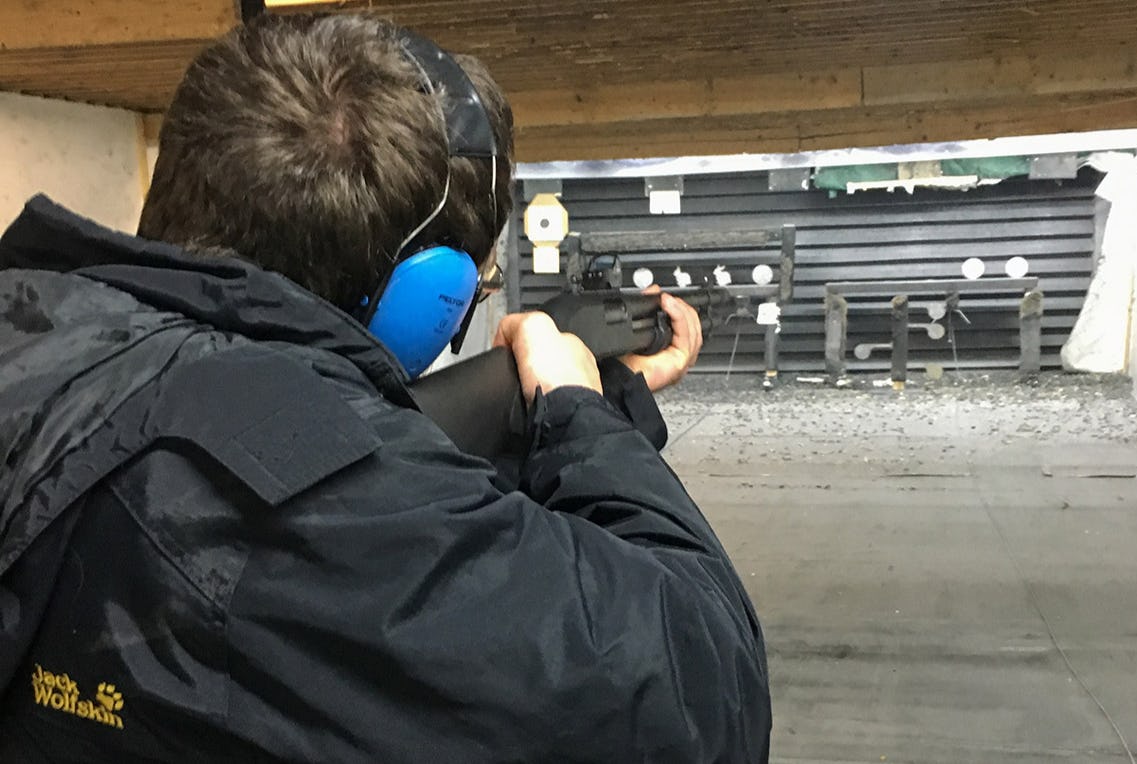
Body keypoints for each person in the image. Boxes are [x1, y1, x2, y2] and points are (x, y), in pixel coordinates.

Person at [0, 12, 770, 763]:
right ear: (427, 295)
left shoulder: (40, 339)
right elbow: (703, 695)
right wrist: (578, 415)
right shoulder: (323, 512)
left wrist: (608, 398)